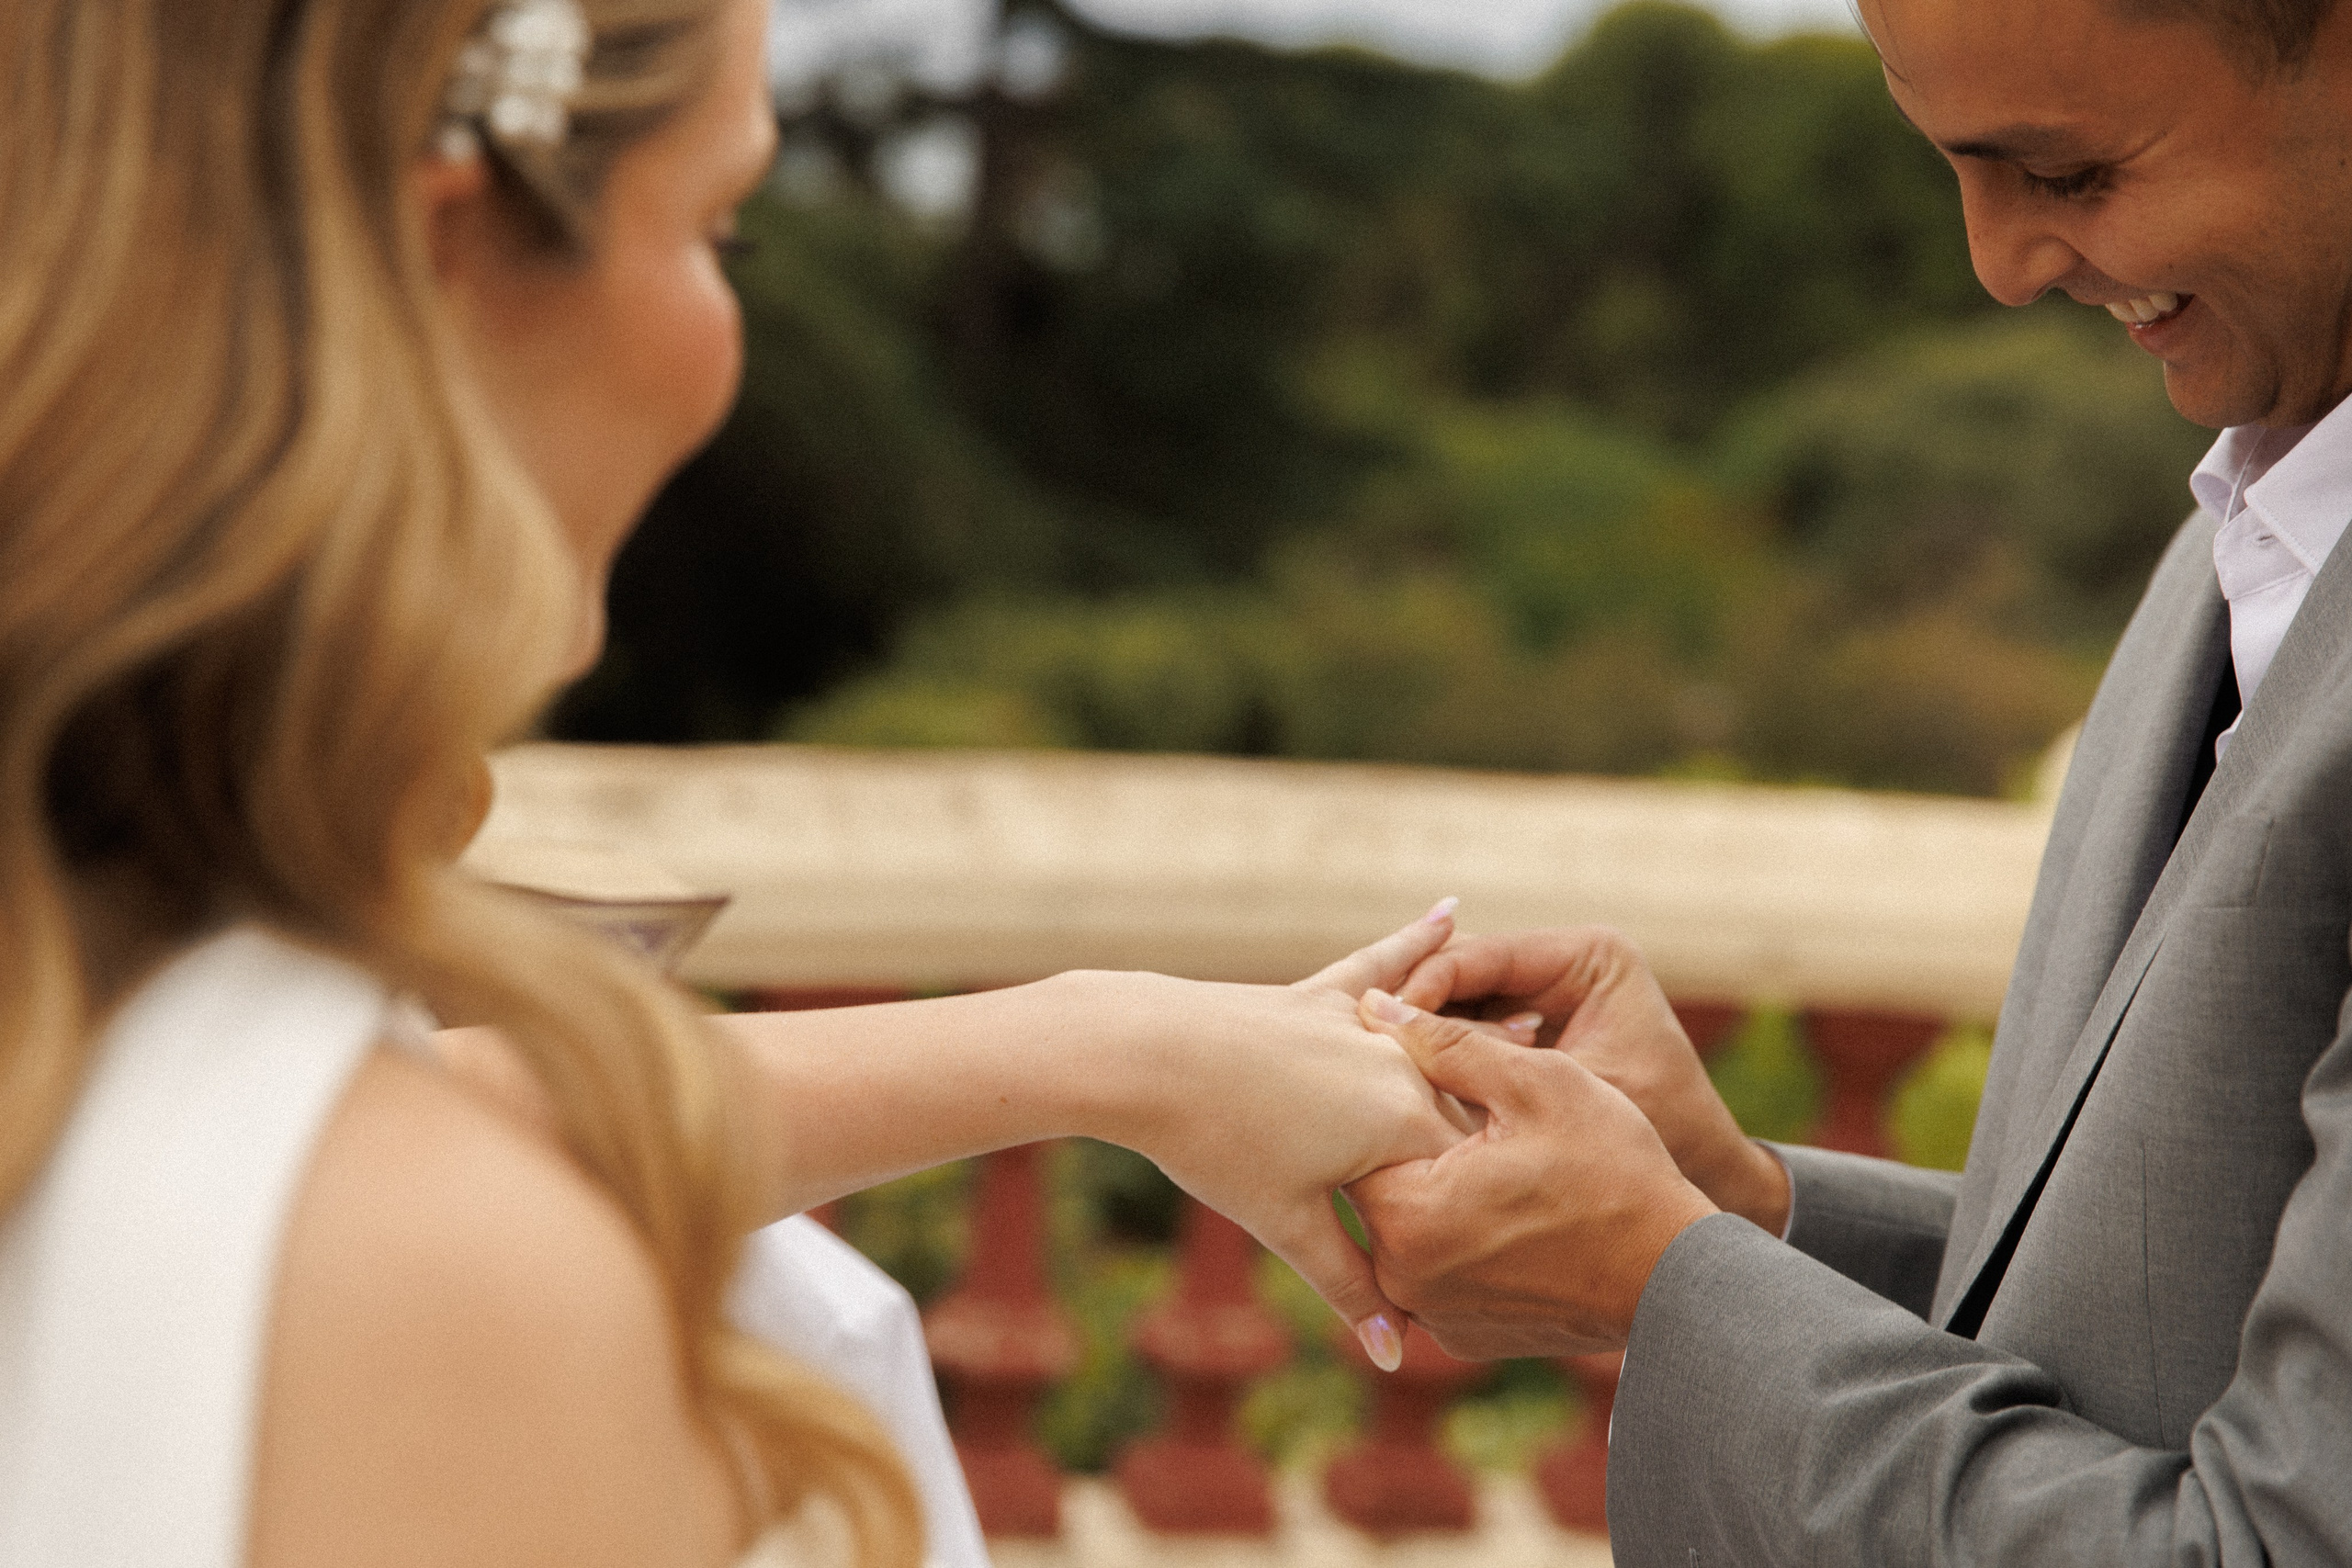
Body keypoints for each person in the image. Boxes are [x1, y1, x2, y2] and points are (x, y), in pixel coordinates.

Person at [0, 3, 1477, 1564]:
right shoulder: (432, 1297)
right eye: (722, 229)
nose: (732, 347)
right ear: (440, 271)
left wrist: (1121, 1046)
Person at [1340, 0, 2352, 1560]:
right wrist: (1743, 1212)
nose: (2001, 265)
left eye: (2069, 174)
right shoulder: (2252, 519)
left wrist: (1658, 1281)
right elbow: (2187, 1328)